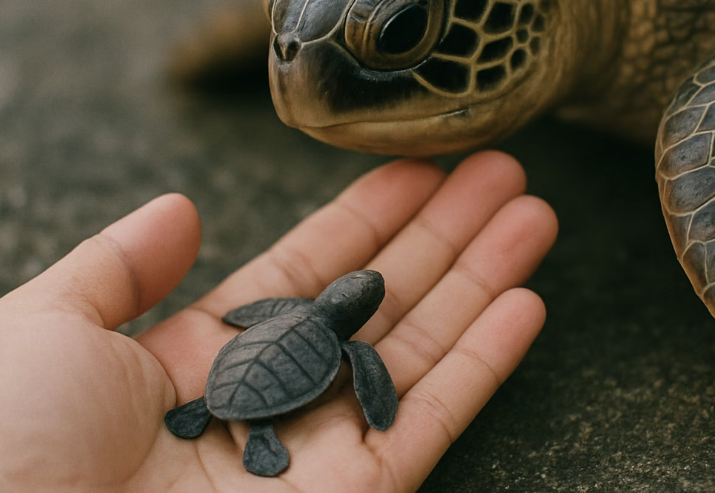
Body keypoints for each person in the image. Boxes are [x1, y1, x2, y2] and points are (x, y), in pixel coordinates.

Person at [0, 150, 557, 492]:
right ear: (354, 314)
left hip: (228, 376)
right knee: (271, 408)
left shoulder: (294, 310)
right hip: (283, 377)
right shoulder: (353, 350)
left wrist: (236, 316)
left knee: (240, 384)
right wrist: (382, 412)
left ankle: (205, 408)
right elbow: (372, 388)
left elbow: (249, 318)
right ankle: (257, 433)